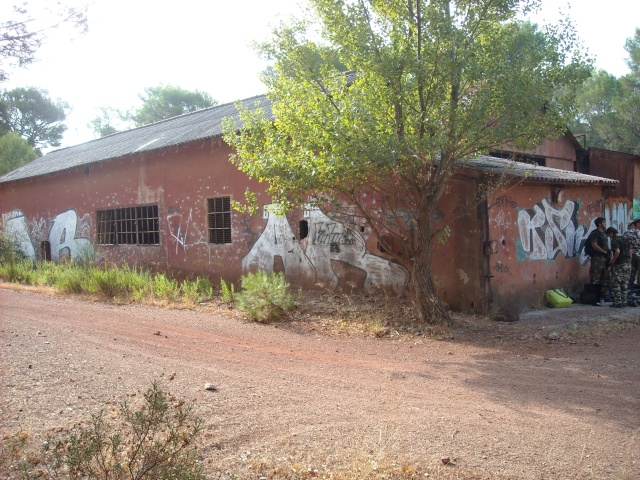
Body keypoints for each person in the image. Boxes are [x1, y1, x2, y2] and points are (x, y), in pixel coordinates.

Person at [606, 227, 632, 307]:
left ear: (611, 233)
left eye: (609, 235)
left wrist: (613, 260)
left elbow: (617, 251)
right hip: (627, 264)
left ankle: (617, 302)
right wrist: (629, 261)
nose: (609, 237)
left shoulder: (615, 240)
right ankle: (624, 301)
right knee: (625, 283)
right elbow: (630, 251)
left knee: (616, 283)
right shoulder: (625, 239)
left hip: (619, 264)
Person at [587, 218, 610, 305]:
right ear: (599, 224)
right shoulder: (595, 233)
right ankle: (594, 299)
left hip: (604, 259)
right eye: (604, 222)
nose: (605, 224)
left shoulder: (604, 233)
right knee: (595, 279)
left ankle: (602, 297)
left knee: (605, 278)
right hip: (597, 258)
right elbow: (594, 245)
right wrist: (604, 252)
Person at [625, 219, 640, 286]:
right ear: (637, 224)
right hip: (639, 254)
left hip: (630, 255)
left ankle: (630, 286)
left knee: (631, 272)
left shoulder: (627, 233)